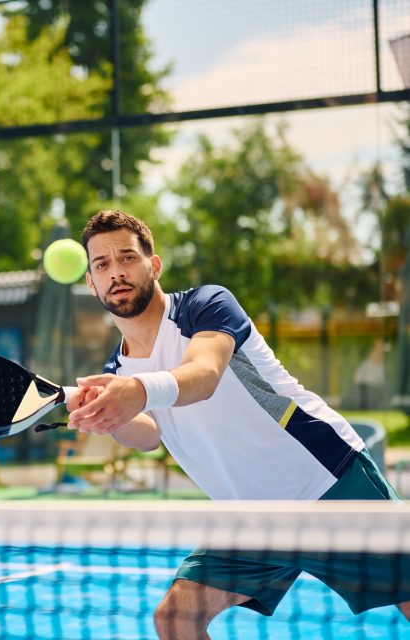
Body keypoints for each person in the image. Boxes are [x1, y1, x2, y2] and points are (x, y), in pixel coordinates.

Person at [65, 209, 410, 637]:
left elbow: (203, 375)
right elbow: (151, 434)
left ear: (154, 265)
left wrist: (134, 391)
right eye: (101, 265)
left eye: (127, 258)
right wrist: (108, 417)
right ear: (91, 282)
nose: (115, 272)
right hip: (252, 516)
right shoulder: (117, 368)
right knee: (175, 619)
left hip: (329, 483)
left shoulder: (205, 306)